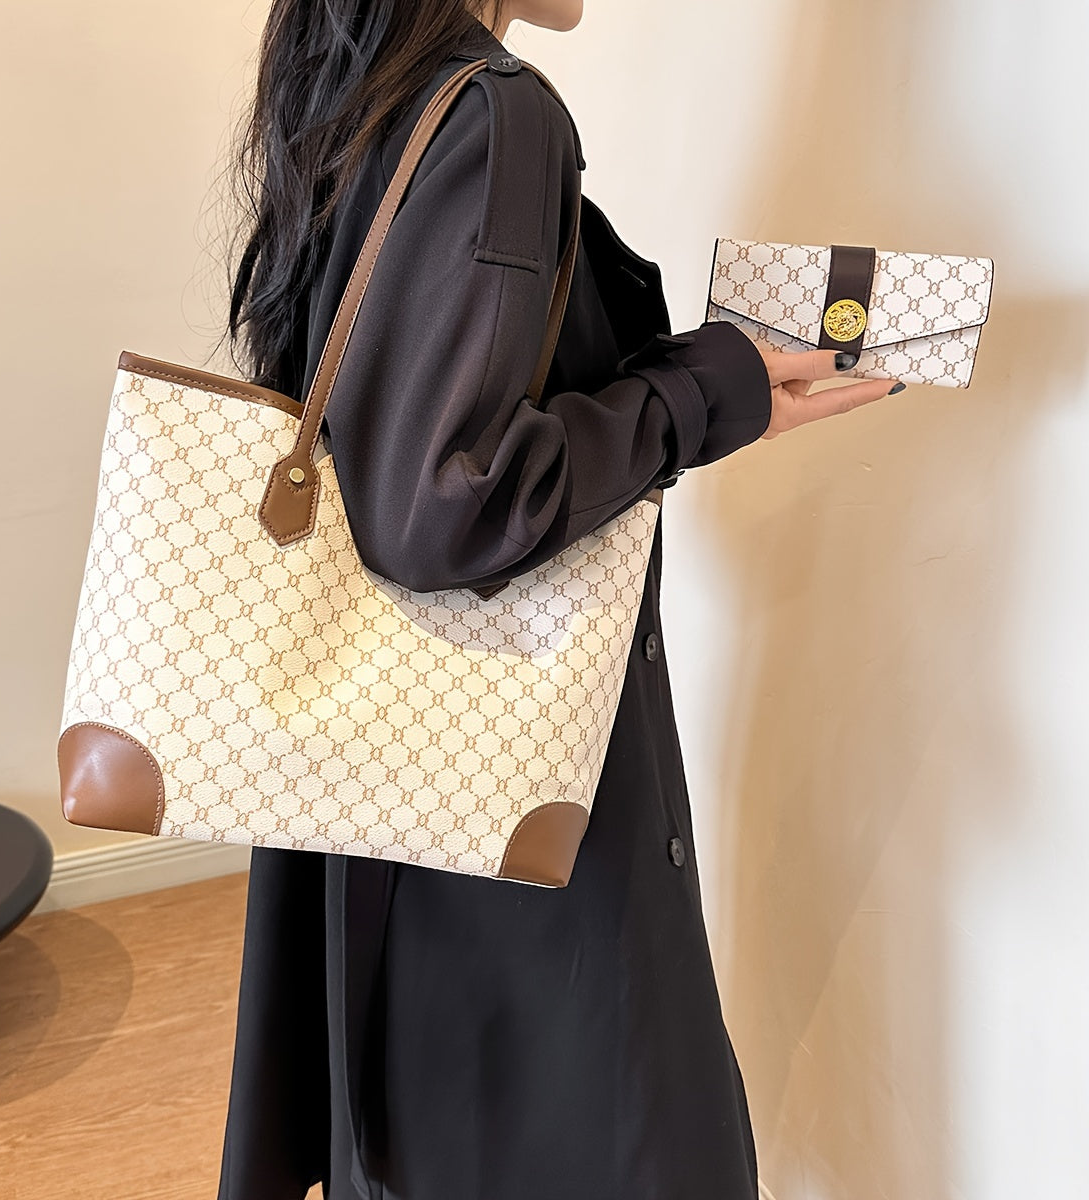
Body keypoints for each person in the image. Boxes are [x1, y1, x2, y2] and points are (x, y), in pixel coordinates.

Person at [215, 3, 902, 1199]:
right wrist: (700, 396)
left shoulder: (363, 95)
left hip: (393, 790)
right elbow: (445, 502)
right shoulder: (494, 112)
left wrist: (711, 381)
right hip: (514, 807)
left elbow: (407, 447)